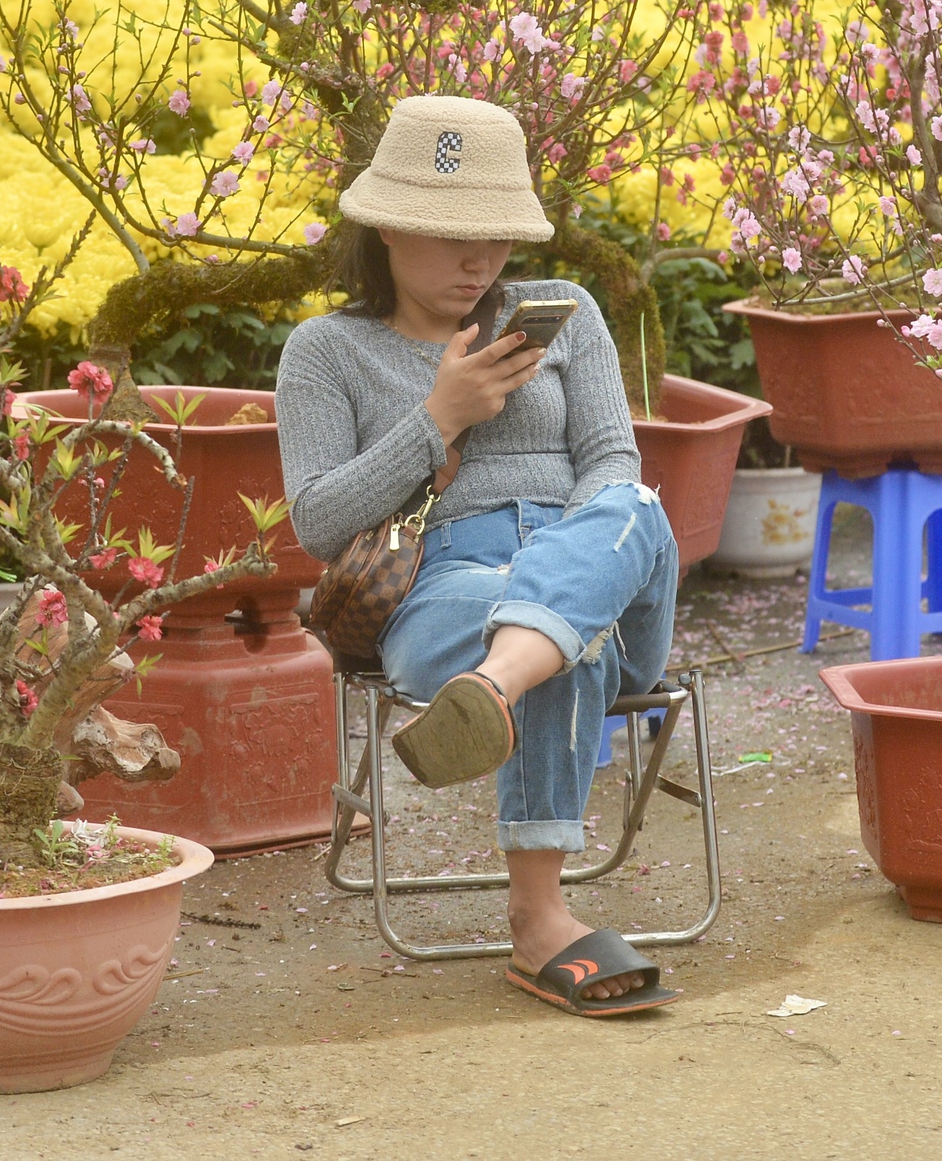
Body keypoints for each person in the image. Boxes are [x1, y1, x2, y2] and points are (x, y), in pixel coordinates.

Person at [276, 94, 681, 1018]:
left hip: (600, 565)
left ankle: (498, 683)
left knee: (631, 507)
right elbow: (317, 524)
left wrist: (570, 563)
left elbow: (614, 463)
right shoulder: (325, 353)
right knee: (560, 635)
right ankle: (541, 924)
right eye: (453, 235)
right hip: (444, 587)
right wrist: (438, 418)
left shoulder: (565, 311)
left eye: (497, 234)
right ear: (384, 226)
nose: (481, 260)